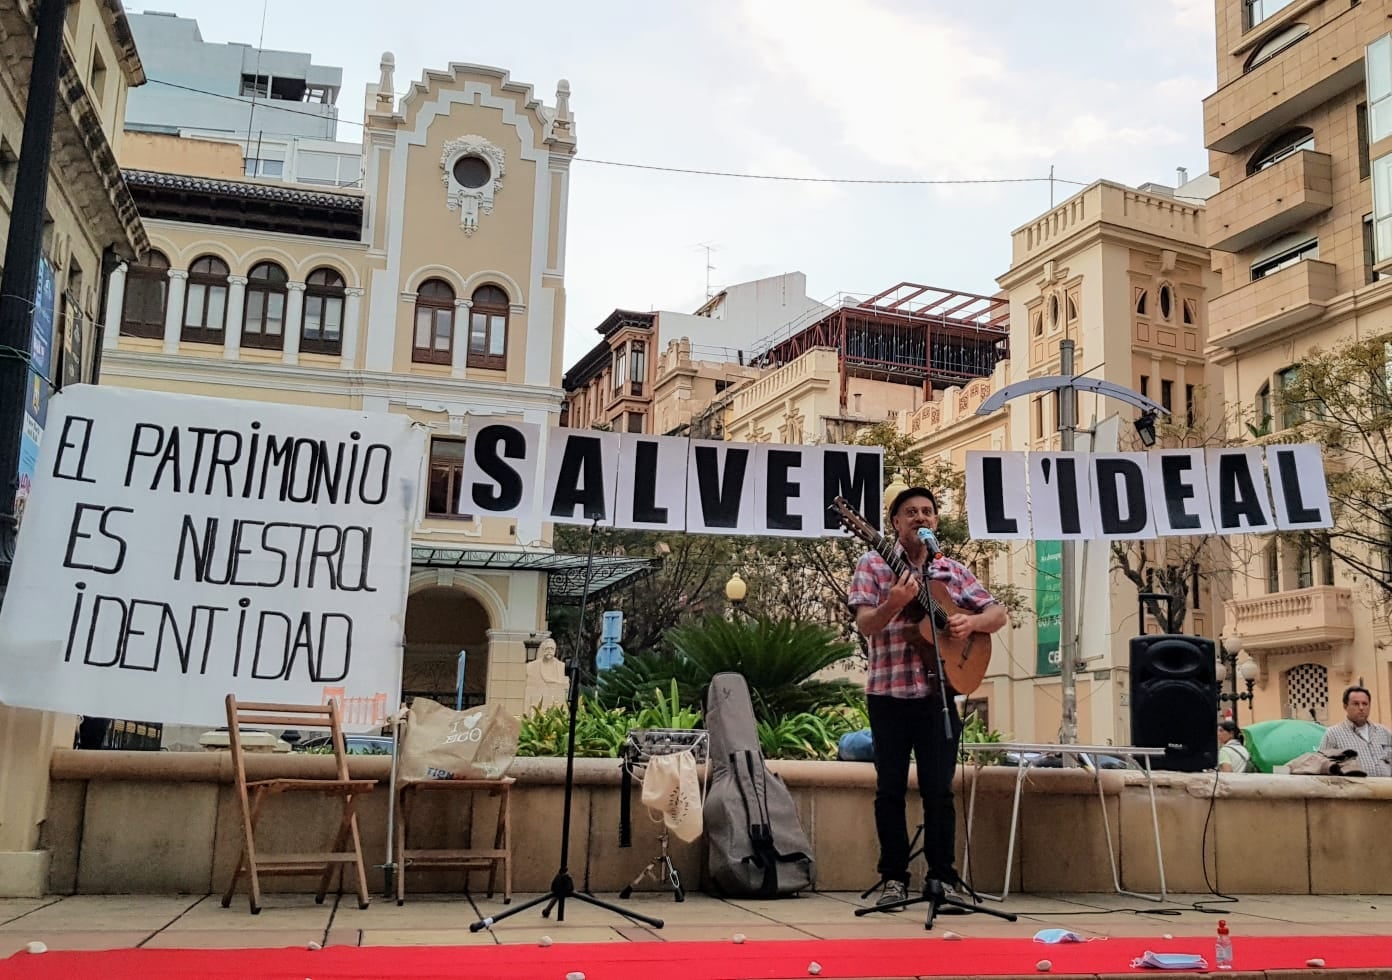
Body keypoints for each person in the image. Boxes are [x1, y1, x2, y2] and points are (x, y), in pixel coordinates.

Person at [847, 486, 1008, 908]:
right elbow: (866, 624)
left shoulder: (950, 571)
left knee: (940, 791)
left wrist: (969, 624)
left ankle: (944, 878)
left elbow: (998, 613)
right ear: (895, 523)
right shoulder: (872, 564)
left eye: (927, 512)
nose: (921, 518)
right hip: (889, 694)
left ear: (936, 522)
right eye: (910, 512)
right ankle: (894, 879)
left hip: (938, 695)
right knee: (891, 791)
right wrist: (893, 604)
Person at [1318, 685, 1392, 777]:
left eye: (1365, 704)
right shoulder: (1333, 734)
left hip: (1386, 789)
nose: (1361, 708)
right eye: (1356, 704)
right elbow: (1322, 767)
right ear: (1345, 706)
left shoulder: (1383, 732)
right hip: (1354, 790)